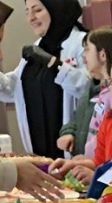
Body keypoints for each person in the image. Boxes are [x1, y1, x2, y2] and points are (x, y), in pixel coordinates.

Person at [0, 0, 91, 158]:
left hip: (74, 151)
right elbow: (11, 89)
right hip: (39, 153)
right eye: (27, 12)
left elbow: (89, 88)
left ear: (57, 9)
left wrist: (54, 64)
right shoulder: (37, 47)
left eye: (37, 10)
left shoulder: (82, 43)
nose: (31, 18)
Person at [56, 27, 112, 157]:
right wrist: (69, 132)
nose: (83, 55)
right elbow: (78, 118)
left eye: (87, 49)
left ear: (102, 55)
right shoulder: (92, 88)